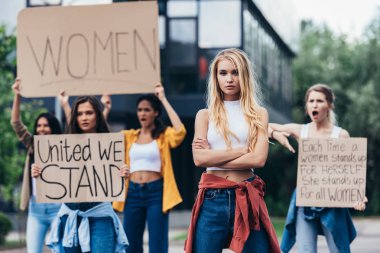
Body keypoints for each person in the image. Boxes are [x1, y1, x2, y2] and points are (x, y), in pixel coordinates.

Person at [184, 48, 280, 253]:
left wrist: (214, 157)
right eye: (223, 73)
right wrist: (242, 150)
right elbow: (199, 159)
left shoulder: (258, 114)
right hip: (212, 198)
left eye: (235, 72)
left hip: (246, 195)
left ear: (244, 75)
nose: (229, 78)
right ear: (215, 77)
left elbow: (258, 159)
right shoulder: (204, 115)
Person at [268, 84, 367, 253]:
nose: (314, 104)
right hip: (305, 201)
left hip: (332, 203)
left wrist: (358, 196)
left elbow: (351, 173)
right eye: (311, 101)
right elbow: (263, 125)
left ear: (329, 105)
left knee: (339, 249)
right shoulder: (300, 131)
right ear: (306, 106)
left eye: (319, 101)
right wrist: (275, 135)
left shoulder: (341, 135)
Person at [32, 96, 128, 253]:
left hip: (100, 215)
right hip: (71, 216)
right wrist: (40, 173)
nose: (84, 117)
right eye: (79, 113)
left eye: (89, 113)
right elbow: (57, 177)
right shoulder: (63, 146)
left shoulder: (109, 146)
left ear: (98, 115)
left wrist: (123, 174)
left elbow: (112, 181)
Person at [112, 83, 186, 253]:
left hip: (156, 193)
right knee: (130, 244)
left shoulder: (163, 135)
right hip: (132, 193)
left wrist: (163, 99)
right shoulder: (129, 136)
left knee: (157, 245)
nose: (142, 113)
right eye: (140, 110)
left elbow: (180, 131)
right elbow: (103, 141)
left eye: (146, 110)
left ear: (156, 113)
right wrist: (107, 109)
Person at [10, 78, 62, 253]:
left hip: (58, 208)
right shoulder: (32, 144)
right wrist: (17, 95)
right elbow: (16, 124)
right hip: (36, 209)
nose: (41, 129)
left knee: (61, 250)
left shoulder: (65, 148)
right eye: (38, 126)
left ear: (53, 128)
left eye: (46, 126)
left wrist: (64, 103)